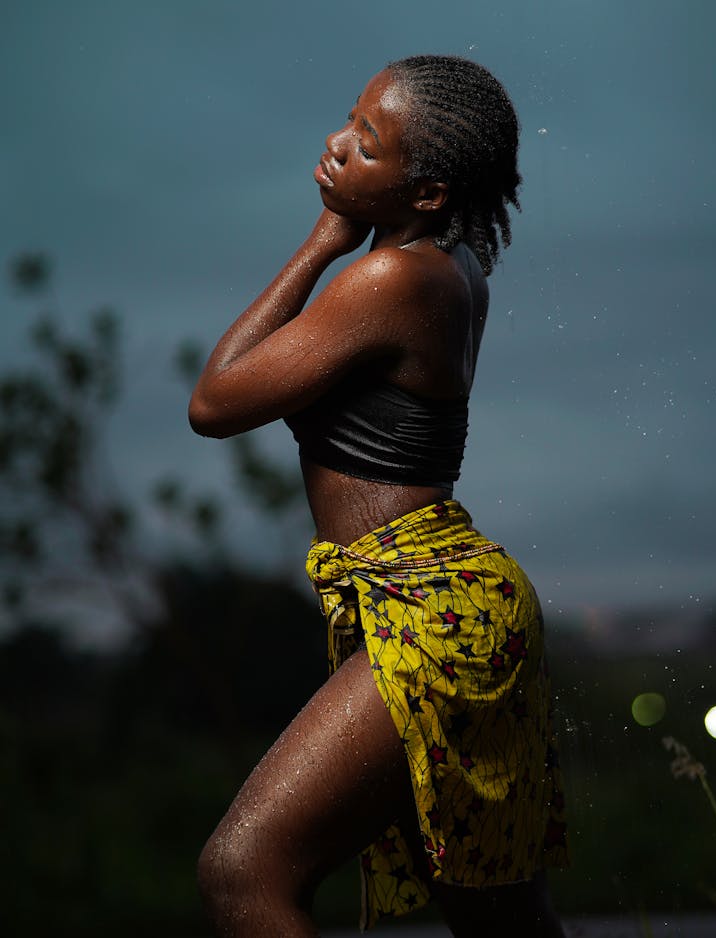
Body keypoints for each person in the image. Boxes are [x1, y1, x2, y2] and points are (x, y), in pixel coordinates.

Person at [190, 54, 569, 938]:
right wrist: (360, 212)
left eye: (366, 144)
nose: (336, 145)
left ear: (429, 192)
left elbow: (216, 401)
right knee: (499, 920)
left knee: (241, 873)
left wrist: (325, 241)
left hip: (429, 608)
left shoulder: (387, 281)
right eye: (348, 121)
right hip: (452, 600)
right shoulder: (453, 264)